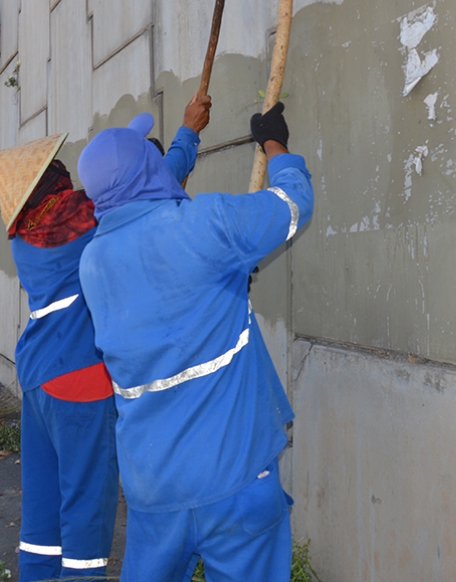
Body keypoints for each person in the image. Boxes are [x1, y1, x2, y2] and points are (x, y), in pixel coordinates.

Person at [77, 103, 313, 582]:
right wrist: (275, 146)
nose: (153, 153)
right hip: (235, 479)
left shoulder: (93, 262)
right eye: (148, 151)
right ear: (147, 167)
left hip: (155, 490)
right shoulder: (206, 225)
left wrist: (187, 135)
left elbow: (146, 194)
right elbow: (293, 205)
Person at [0, 95, 210, 581]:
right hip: (81, 380)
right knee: (87, 512)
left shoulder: (26, 233)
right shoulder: (80, 220)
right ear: (50, 180)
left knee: (42, 515)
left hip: (37, 377)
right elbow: (142, 188)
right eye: (60, 166)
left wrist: (138, 145)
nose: (68, 171)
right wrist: (186, 136)